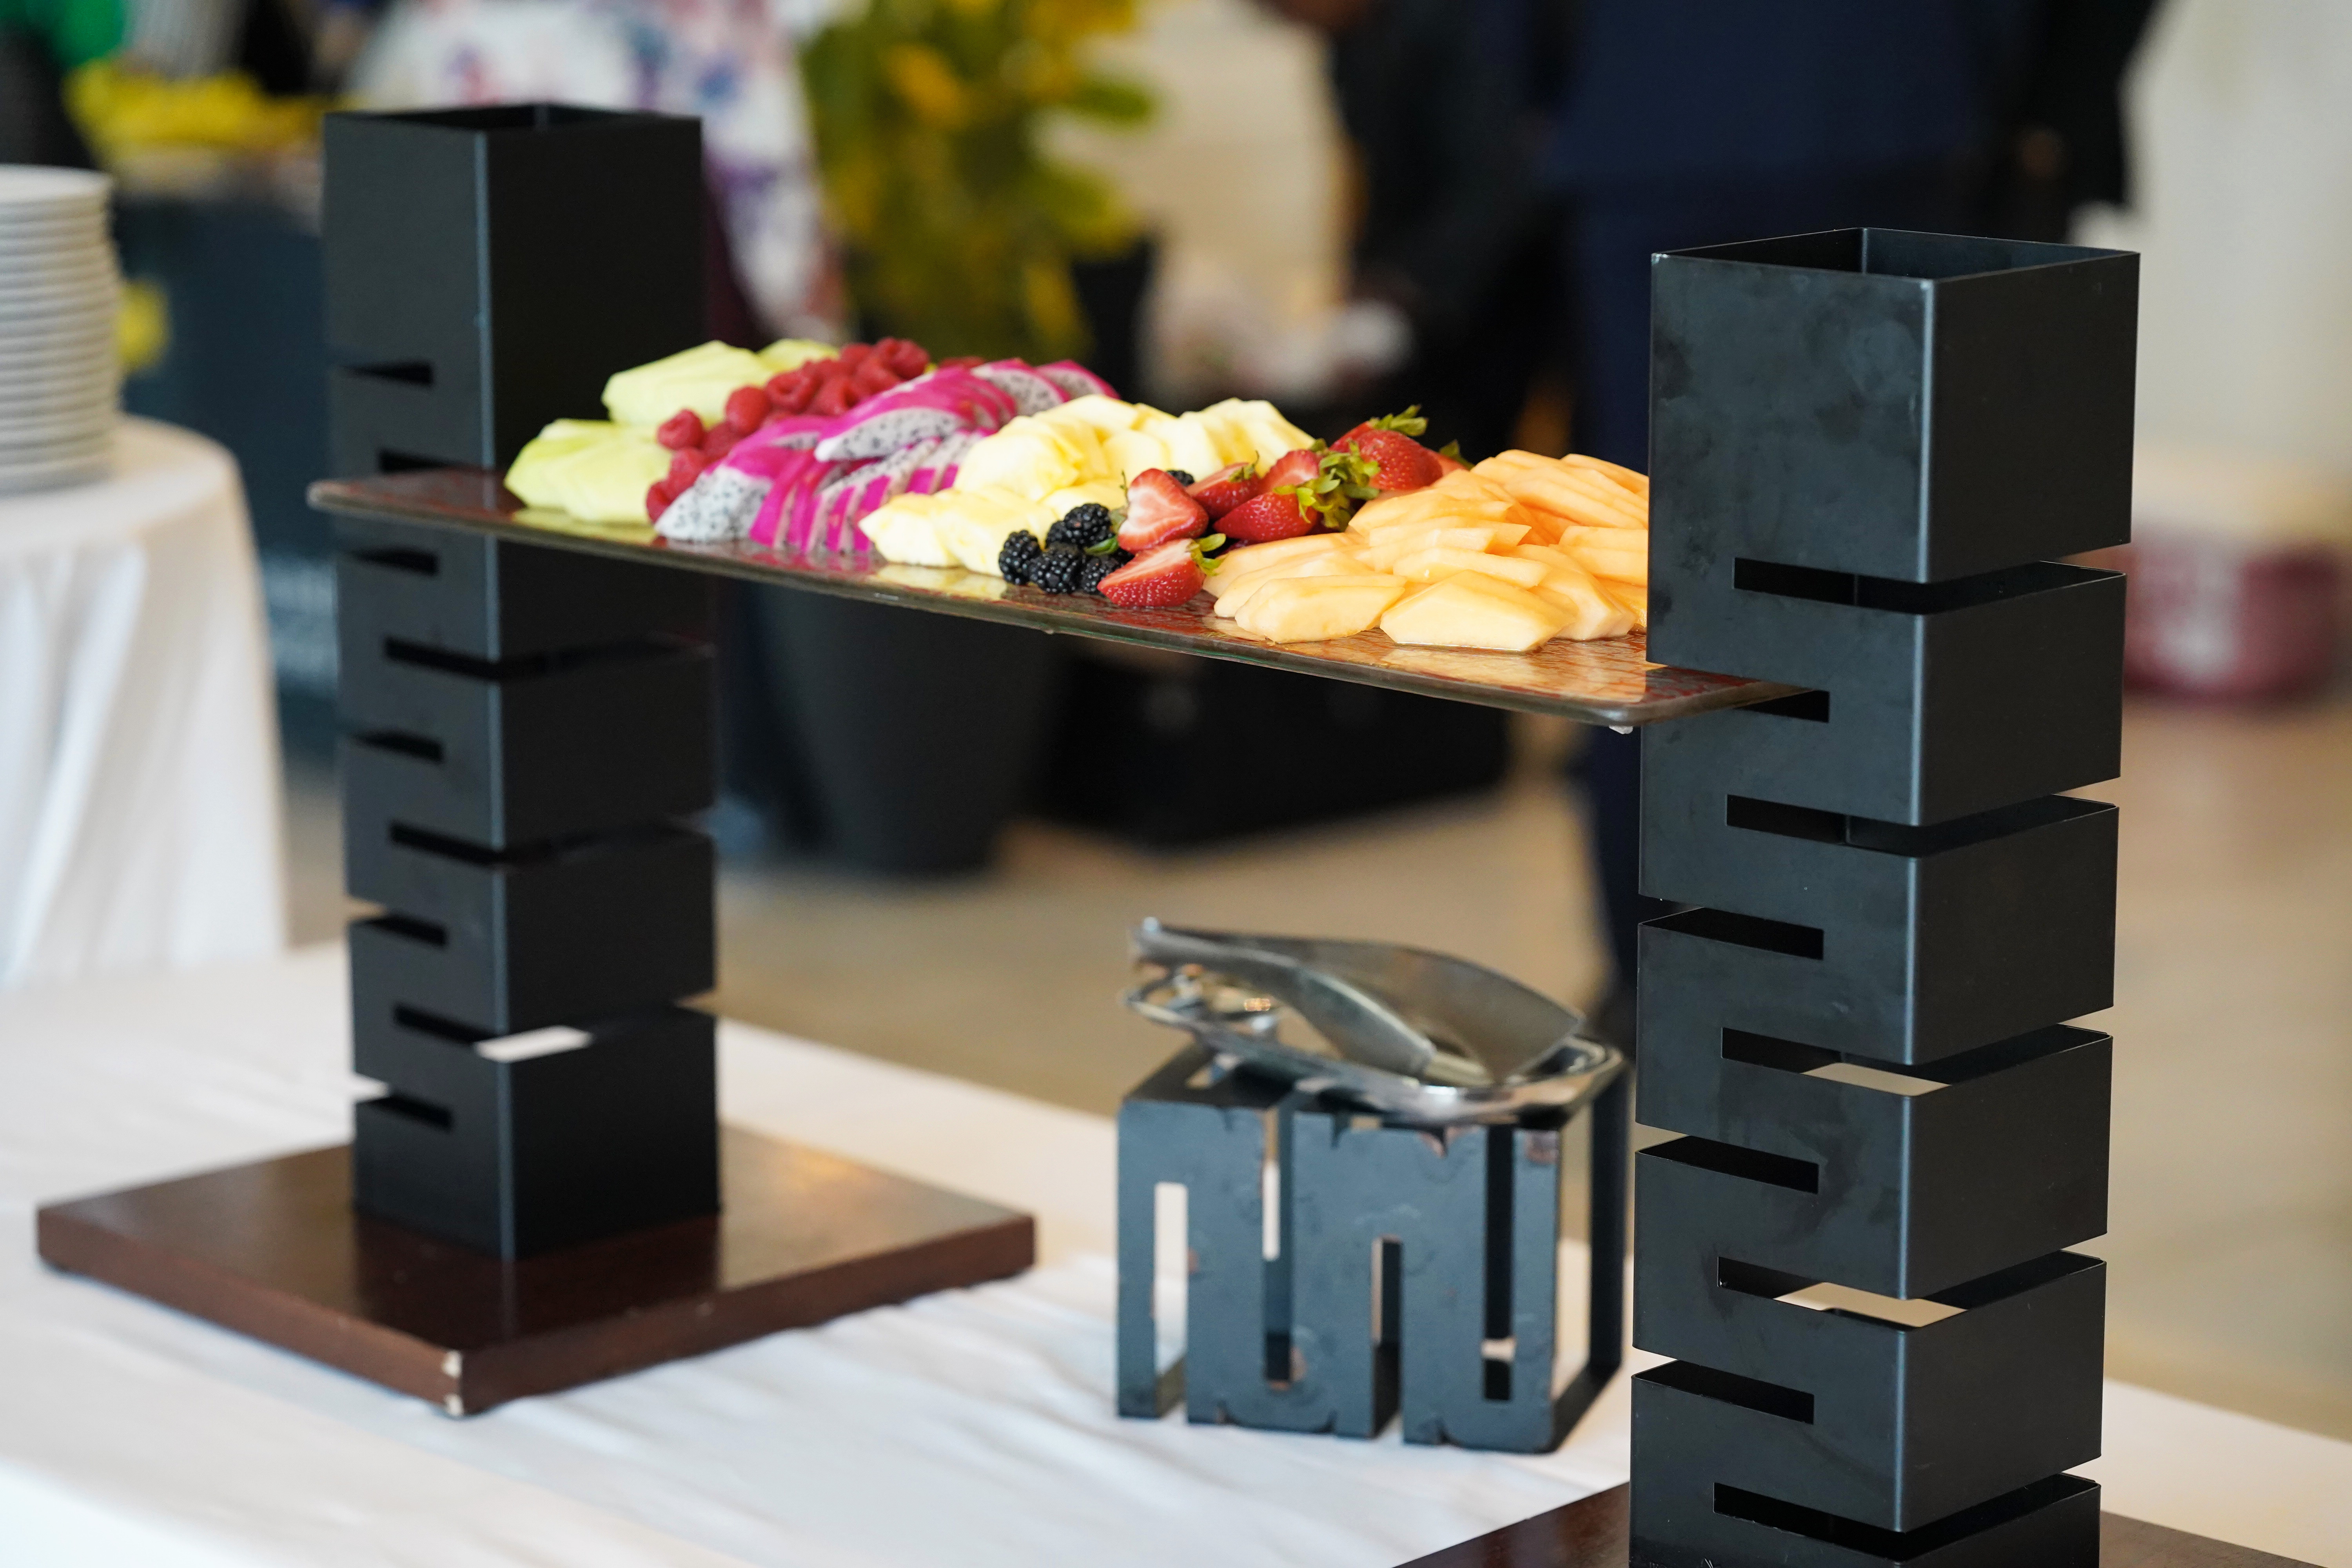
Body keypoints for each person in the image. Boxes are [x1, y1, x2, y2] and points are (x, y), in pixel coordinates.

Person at [1551, 0, 2157, 1044]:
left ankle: (1664, 970)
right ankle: (1866, 962)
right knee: (1882, 566)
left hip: (1661, 105)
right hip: (1886, 101)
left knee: (1661, 559)